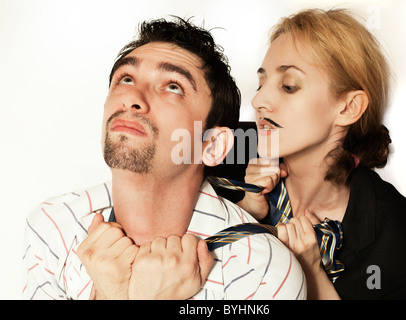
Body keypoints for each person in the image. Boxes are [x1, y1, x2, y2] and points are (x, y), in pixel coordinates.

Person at [22, 17, 306, 300]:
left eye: (172, 86)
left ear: (212, 145)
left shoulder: (261, 269)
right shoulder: (52, 226)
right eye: (126, 79)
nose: (132, 98)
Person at [236, 9, 406, 299]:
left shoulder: (401, 244)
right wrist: (238, 212)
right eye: (261, 83)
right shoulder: (224, 152)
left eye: (289, 86)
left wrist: (310, 271)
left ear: (349, 108)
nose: (258, 100)